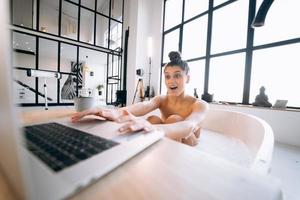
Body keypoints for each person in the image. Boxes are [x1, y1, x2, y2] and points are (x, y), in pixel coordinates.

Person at [71, 51, 208, 146]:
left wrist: (156, 130)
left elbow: (189, 126)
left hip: (190, 140)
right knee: (152, 120)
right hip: (169, 134)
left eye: (177, 75)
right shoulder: (162, 99)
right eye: (167, 76)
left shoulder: (199, 104)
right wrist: (116, 112)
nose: (171, 81)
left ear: (187, 78)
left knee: (173, 119)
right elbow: (144, 106)